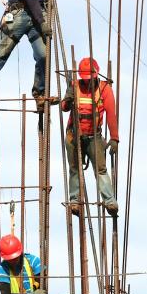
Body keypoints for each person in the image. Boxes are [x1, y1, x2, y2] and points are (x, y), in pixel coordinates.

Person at [60, 57, 119, 216]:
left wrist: (114, 138)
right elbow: (64, 108)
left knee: (100, 169)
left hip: (94, 137)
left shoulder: (104, 89)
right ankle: (74, 202)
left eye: (90, 79)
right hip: (74, 136)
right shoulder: (75, 86)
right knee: (74, 169)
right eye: (85, 79)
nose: (87, 82)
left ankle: (109, 201)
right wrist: (68, 97)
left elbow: (111, 114)